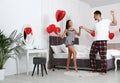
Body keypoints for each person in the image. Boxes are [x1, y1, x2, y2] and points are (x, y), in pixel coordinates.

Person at [80, 10, 117, 75]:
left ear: (97, 15)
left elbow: (115, 23)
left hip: (103, 41)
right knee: (91, 54)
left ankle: (104, 71)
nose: (93, 17)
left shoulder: (106, 21)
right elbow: (92, 32)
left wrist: (113, 15)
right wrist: (84, 28)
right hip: (95, 41)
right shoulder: (95, 24)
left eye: (94, 16)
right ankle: (94, 69)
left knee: (102, 56)